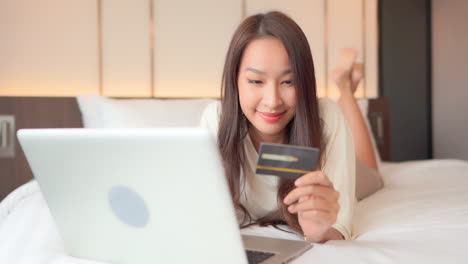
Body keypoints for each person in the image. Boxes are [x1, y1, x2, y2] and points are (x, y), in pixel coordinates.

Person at [200, 11, 355, 243]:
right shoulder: (216, 120)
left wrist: (319, 230)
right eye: (256, 81)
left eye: (288, 81)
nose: (272, 101)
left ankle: (346, 90)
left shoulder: (327, 118)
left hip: (355, 170)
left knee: (371, 173)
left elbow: (340, 227)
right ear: (235, 81)